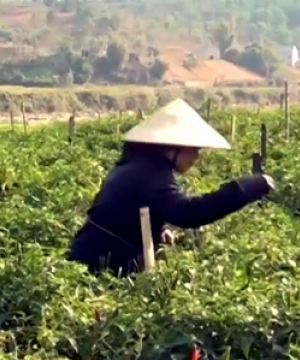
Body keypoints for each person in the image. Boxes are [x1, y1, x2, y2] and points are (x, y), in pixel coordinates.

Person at [67, 99, 274, 275]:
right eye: (193, 150)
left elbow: (133, 206)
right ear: (172, 149)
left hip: (97, 255)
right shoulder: (150, 173)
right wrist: (244, 189)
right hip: (99, 263)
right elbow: (188, 213)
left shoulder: (138, 164)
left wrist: (160, 227)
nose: (197, 157)